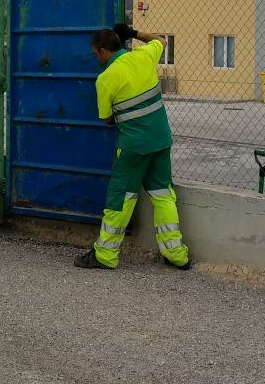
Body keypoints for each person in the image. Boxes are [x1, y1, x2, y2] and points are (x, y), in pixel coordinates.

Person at [74, 23, 191, 271]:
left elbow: (106, 119)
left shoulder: (106, 78)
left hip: (133, 147)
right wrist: (133, 33)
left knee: (121, 198)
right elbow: (161, 40)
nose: (96, 58)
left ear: (103, 51)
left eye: (96, 53)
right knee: (163, 195)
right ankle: (176, 254)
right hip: (161, 140)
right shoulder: (143, 56)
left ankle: (105, 255)